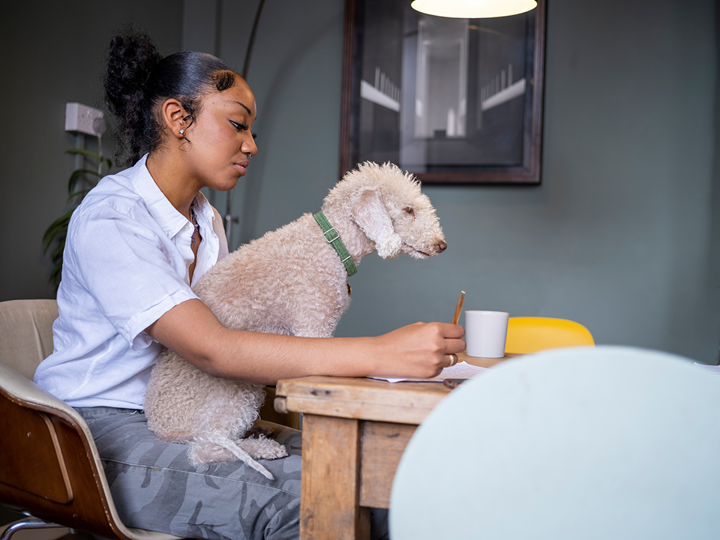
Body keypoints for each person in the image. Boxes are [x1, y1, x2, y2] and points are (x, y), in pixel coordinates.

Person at [34, 31, 465, 540]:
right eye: (237, 124)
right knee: (308, 504)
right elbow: (213, 350)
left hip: (190, 412)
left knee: (381, 476)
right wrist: (381, 353)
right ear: (178, 119)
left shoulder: (206, 221)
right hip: (92, 430)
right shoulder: (114, 218)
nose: (252, 144)